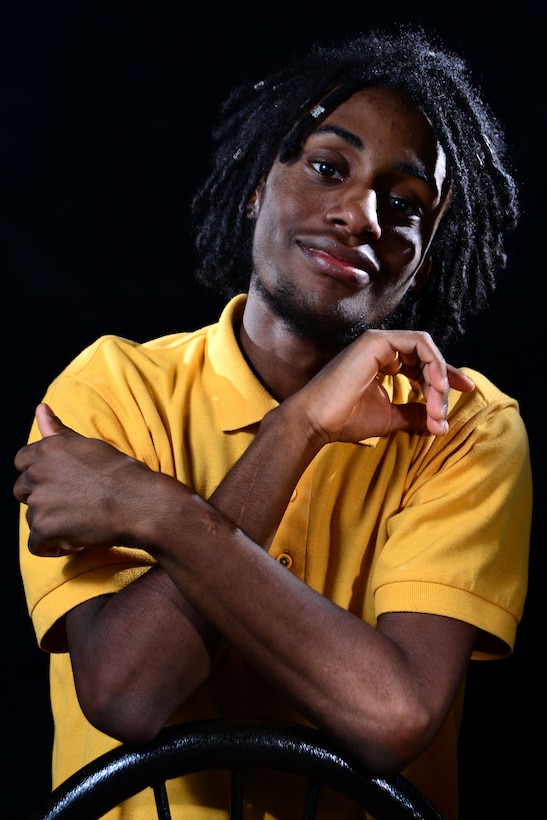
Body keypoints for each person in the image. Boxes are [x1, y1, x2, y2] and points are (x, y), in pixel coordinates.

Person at [14, 25, 532, 820]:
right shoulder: (113, 386)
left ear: (422, 256)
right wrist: (303, 426)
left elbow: (391, 717)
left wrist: (159, 508)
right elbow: (127, 693)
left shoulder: (462, 424)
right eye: (328, 167)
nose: (361, 216)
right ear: (259, 183)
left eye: (404, 206)